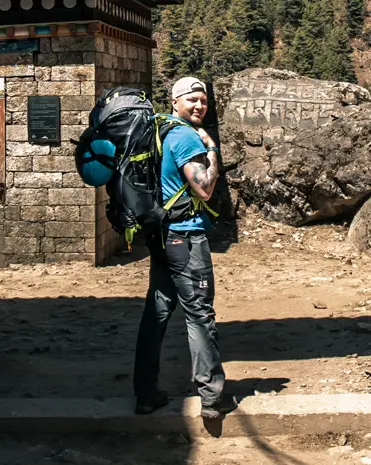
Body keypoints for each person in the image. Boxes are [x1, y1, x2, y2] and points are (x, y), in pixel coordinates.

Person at [133, 77, 237, 419]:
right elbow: (205, 189)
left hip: (162, 238)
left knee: (157, 313)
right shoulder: (185, 137)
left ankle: (145, 393)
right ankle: (212, 398)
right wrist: (212, 149)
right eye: (192, 99)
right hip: (186, 239)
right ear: (175, 101)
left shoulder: (161, 130)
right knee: (199, 314)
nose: (199, 106)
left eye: (203, 101)